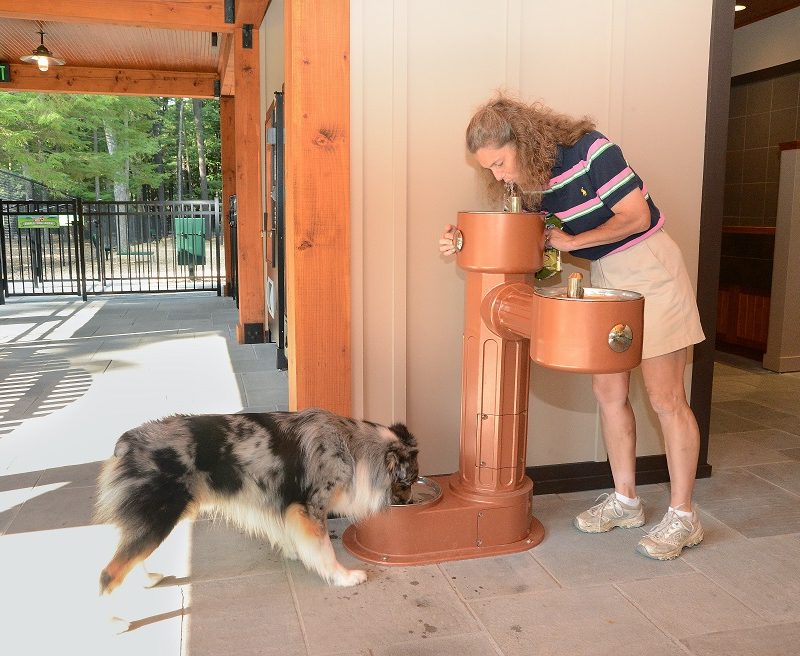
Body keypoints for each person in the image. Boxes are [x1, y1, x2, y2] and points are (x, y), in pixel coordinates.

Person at [439, 94, 706, 560]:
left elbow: (636, 216)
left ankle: (684, 516)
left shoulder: (591, 149)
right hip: (604, 276)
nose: (499, 176)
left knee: (666, 398)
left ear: (522, 140)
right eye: (490, 170)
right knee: (609, 395)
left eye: (501, 163)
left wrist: (572, 241)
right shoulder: (532, 180)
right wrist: (459, 239)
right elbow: (522, 239)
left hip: (650, 269)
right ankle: (626, 501)